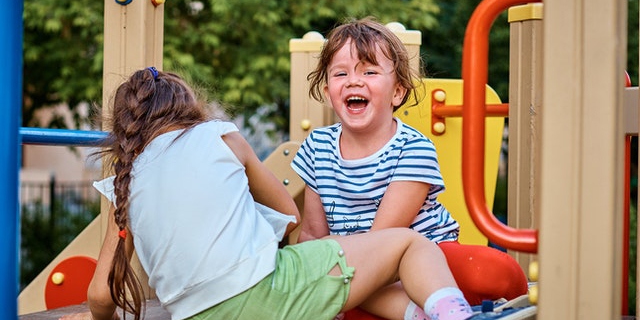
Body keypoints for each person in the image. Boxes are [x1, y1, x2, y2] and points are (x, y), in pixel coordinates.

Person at [59, 67, 481, 320]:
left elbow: (100, 295)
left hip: (195, 314)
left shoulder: (126, 178)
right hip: (268, 292)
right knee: (410, 244)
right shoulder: (219, 136)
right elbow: (288, 214)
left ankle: (416, 314)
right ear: (188, 108)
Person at [291, 17, 529, 320]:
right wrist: (313, 277)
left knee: (489, 270)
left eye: (370, 71)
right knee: (318, 283)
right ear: (328, 92)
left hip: (425, 261)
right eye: (341, 73)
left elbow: (385, 240)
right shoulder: (318, 146)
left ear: (397, 93)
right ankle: (431, 313)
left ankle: (443, 305)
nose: (353, 80)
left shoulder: (412, 148)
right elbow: (313, 235)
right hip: (359, 271)